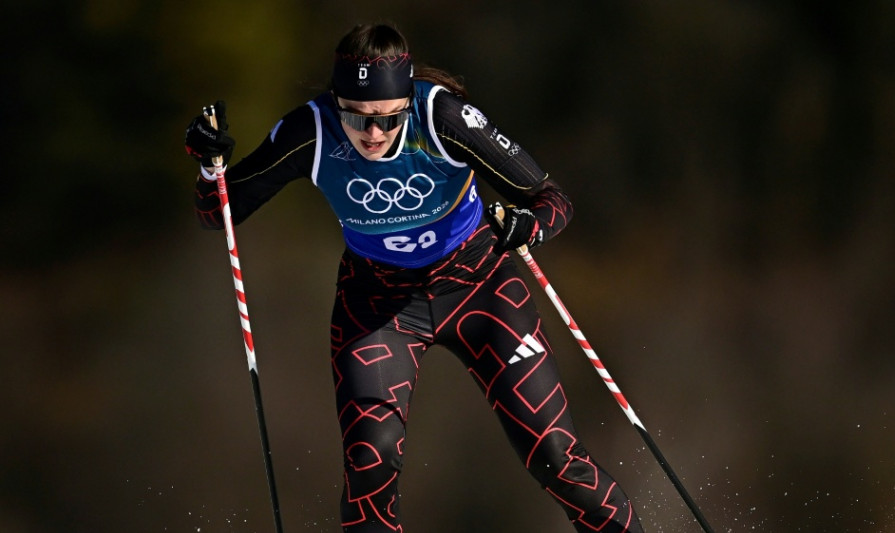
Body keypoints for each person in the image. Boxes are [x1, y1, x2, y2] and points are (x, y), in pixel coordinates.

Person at [185, 23, 645, 533]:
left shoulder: (443, 117)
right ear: (336, 102)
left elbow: (552, 199)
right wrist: (210, 166)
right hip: (378, 304)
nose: (372, 134)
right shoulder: (310, 131)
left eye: (387, 118)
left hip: (480, 288)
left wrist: (527, 227)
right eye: (355, 116)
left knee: (554, 455)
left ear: (407, 101)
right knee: (370, 461)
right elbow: (220, 212)